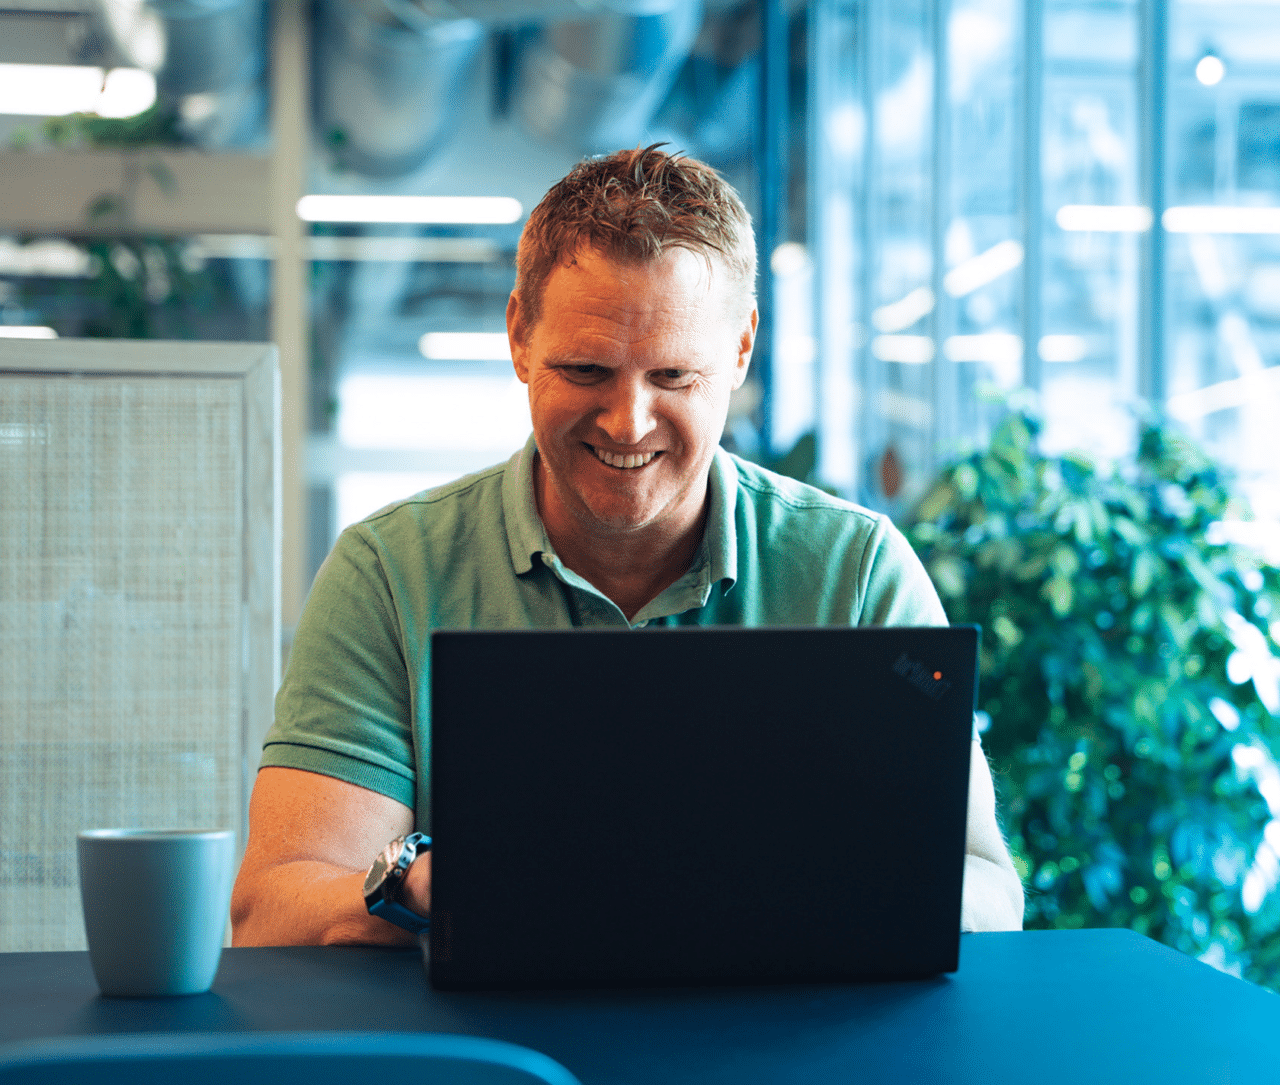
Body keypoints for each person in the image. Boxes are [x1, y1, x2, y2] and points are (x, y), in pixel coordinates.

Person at [230, 146, 1024, 946]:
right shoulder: (391, 572)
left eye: (675, 376)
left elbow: (989, 894)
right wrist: (420, 887)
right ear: (518, 336)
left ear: (742, 349)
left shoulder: (856, 572)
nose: (628, 422)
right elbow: (275, 903)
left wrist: (790, 884)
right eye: (586, 369)